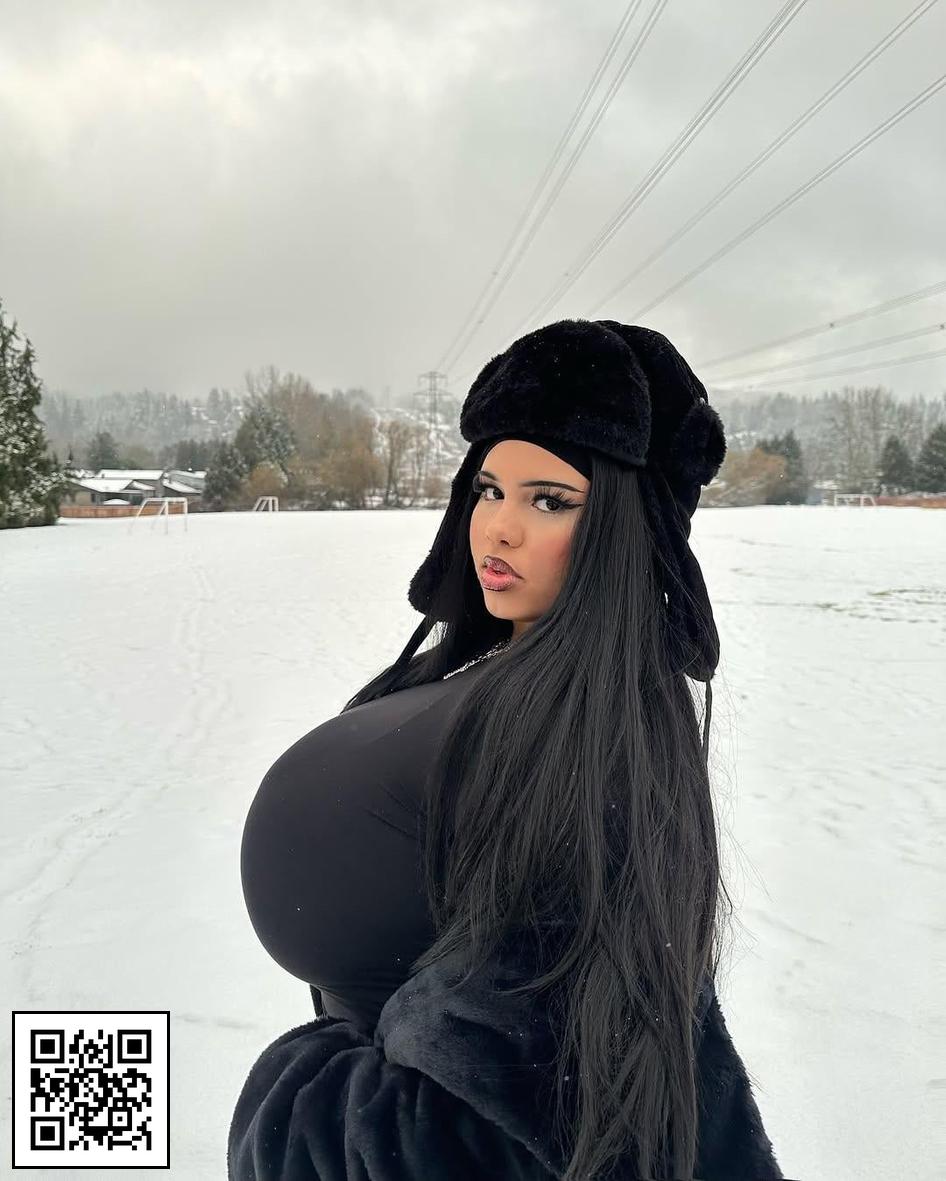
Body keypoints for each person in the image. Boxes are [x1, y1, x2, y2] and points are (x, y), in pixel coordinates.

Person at [229, 318, 786, 1181]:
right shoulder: (505, 666)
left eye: (549, 500)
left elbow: (537, 1112)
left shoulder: (589, 736)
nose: (499, 529)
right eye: (489, 489)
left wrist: (310, 1101)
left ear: (624, 530)